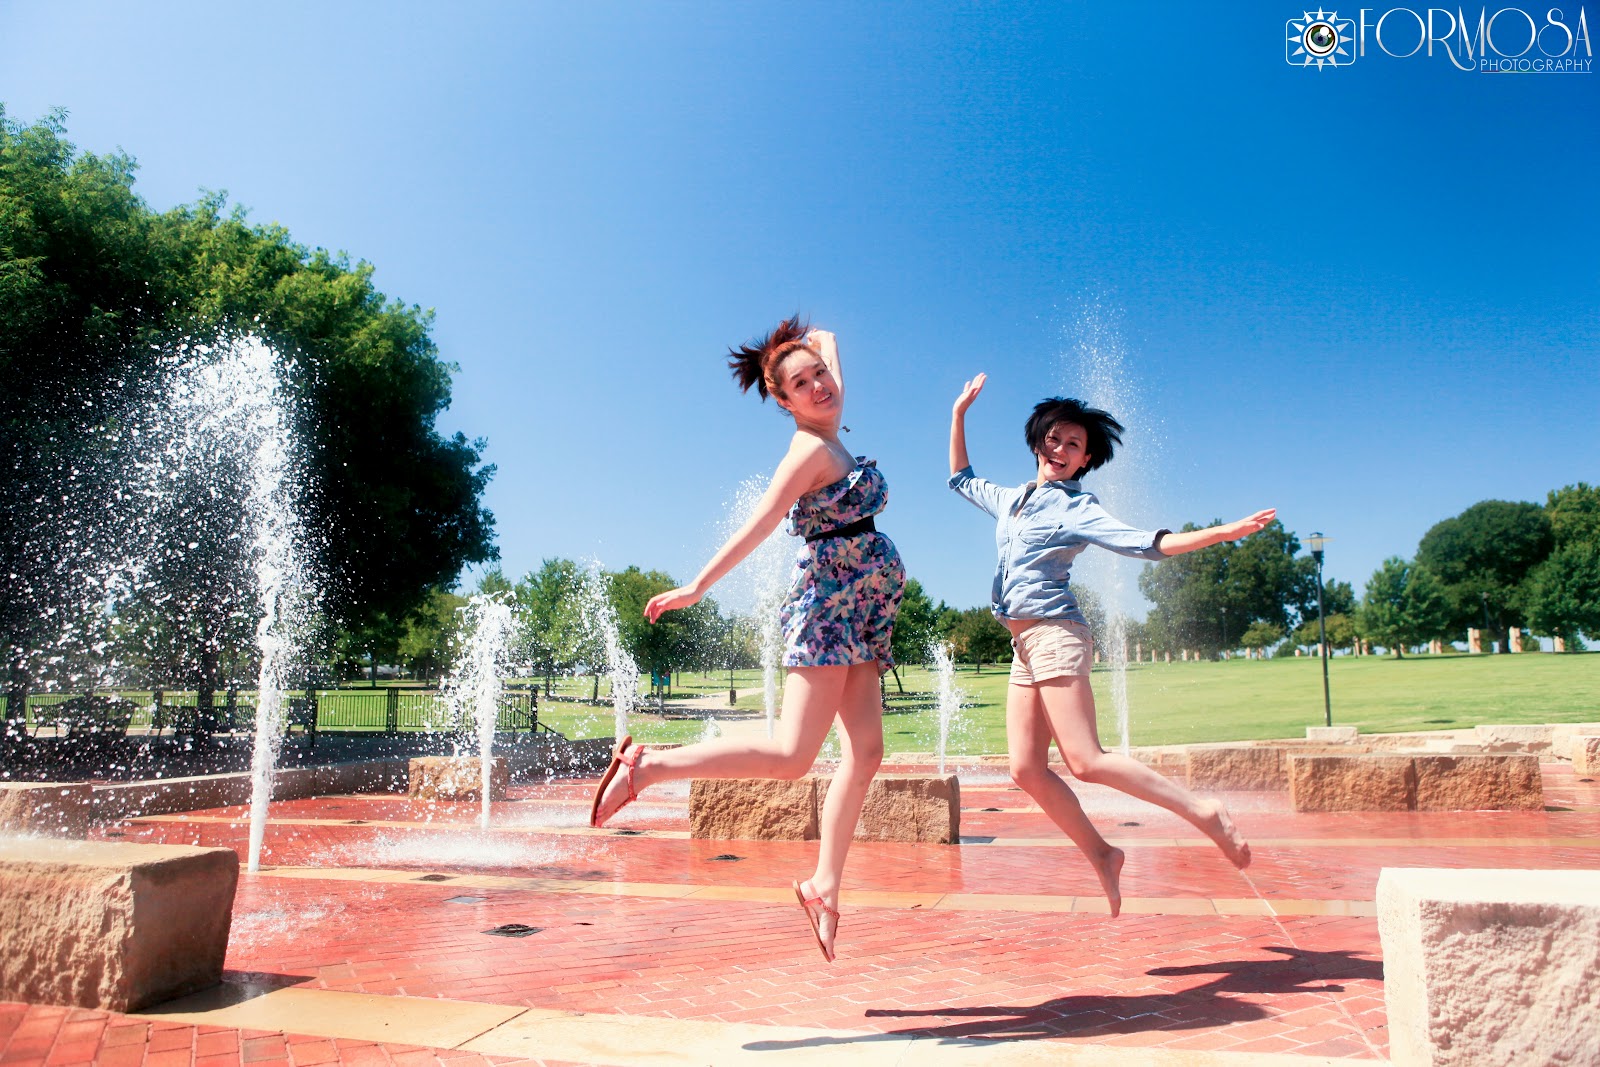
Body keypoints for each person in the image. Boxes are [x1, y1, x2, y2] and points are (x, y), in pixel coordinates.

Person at [591, 317, 905, 962]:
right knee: (792, 756)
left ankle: (823, 887)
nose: (820, 385)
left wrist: (809, 348)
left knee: (867, 752)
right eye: (801, 384)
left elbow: (829, 348)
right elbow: (759, 525)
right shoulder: (809, 451)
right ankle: (648, 768)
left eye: (820, 375)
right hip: (828, 610)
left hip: (861, 612)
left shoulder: (831, 427)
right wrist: (696, 587)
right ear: (784, 402)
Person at [947, 372, 1272, 916]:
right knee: (1025, 770)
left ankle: (1204, 812)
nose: (1059, 449)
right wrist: (959, 413)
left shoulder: (1077, 508)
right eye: (1053, 438)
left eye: (1072, 444)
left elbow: (1145, 544)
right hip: (1024, 645)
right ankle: (1103, 854)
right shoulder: (1012, 500)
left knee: (1086, 759)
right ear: (1037, 442)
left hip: (1056, 634)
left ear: (1085, 459)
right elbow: (961, 478)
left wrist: (1221, 534)